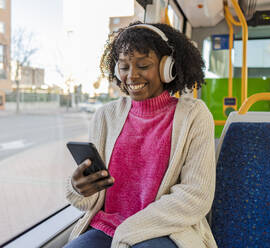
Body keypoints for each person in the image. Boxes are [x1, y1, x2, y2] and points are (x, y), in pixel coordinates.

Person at [64, 21, 216, 248]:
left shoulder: (195, 116)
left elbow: (196, 196)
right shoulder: (105, 116)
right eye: (124, 67)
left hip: (167, 229)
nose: (132, 76)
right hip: (108, 228)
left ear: (168, 67)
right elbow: (93, 198)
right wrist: (79, 188)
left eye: (143, 65)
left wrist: (130, 230)